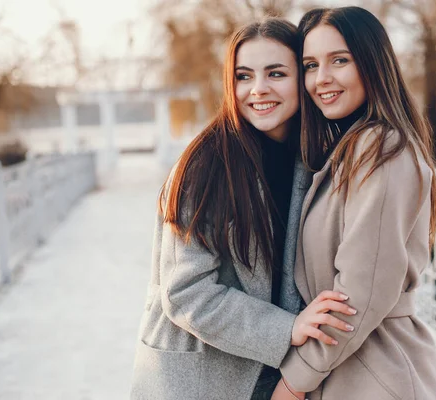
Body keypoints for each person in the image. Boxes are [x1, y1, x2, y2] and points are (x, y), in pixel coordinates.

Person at [130, 18, 357, 400]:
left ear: (302, 80)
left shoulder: (315, 160)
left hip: (278, 374)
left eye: (276, 73)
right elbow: (186, 293)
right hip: (201, 379)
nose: (258, 90)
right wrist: (286, 328)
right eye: (244, 76)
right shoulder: (205, 167)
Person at [272, 7, 436, 400]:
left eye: (340, 61)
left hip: (376, 372)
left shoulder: (382, 148)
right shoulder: (348, 148)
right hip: (348, 369)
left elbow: (360, 294)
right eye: (310, 65)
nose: (322, 79)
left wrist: (293, 383)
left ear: (372, 63)